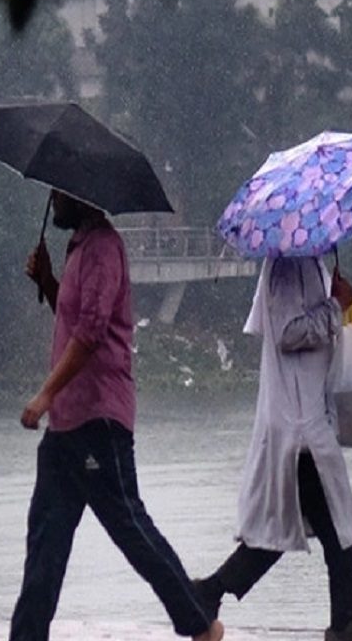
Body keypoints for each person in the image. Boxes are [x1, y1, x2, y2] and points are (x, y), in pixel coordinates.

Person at [12, 189, 223, 641]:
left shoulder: (105, 248)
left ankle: (200, 624)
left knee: (130, 527)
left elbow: (90, 335)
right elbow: (74, 320)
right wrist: (49, 280)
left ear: (80, 195)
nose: (53, 200)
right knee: (44, 545)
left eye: (59, 193)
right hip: (66, 427)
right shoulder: (79, 248)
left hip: (98, 420)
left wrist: (44, 395)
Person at [189, 256, 352, 641]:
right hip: (298, 430)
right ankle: (344, 623)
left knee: (287, 532)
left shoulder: (314, 265)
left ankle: (208, 593)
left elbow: (331, 343)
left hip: (310, 424)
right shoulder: (286, 268)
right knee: (336, 524)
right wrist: (336, 305)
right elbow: (288, 333)